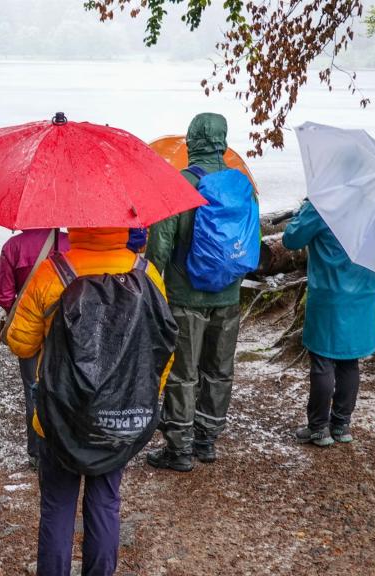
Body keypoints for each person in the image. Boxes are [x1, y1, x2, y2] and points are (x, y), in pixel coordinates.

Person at [6, 227, 169, 576]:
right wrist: (144, 398)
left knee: (57, 506)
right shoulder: (147, 273)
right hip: (117, 419)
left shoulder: (54, 272)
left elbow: (21, 344)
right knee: (106, 503)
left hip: (58, 419)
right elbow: (163, 348)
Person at [145, 112, 244, 471]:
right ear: (224, 141)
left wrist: (152, 287)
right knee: (219, 370)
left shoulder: (179, 185)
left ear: (191, 142)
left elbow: (159, 247)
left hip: (185, 296)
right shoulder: (240, 184)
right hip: (229, 295)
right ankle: (207, 440)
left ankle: (179, 448)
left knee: (182, 373)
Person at [283, 200, 375, 446]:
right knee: (350, 362)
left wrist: (305, 211)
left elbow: (291, 239)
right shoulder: (373, 202)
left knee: (322, 361)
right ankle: (341, 425)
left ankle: (318, 427)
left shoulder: (324, 202)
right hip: (362, 294)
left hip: (329, 295)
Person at [0, 229, 70, 469]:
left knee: (32, 387)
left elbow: (5, 296)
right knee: (67, 383)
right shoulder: (71, 244)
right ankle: (66, 446)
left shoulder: (12, 247)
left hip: (28, 328)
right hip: (68, 328)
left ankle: (38, 452)